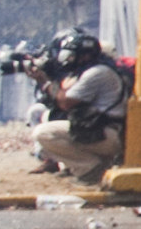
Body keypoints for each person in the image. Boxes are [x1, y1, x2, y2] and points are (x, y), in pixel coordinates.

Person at [27, 29, 128, 183]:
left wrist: (45, 81)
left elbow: (65, 102)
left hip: (108, 135)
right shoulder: (89, 71)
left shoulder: (96, 73)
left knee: (43, 133)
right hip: (100, 131)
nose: (67, 59)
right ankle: (91, 166)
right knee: (48, 119)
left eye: (71, 55)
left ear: (85, 56)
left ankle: (90, 168)